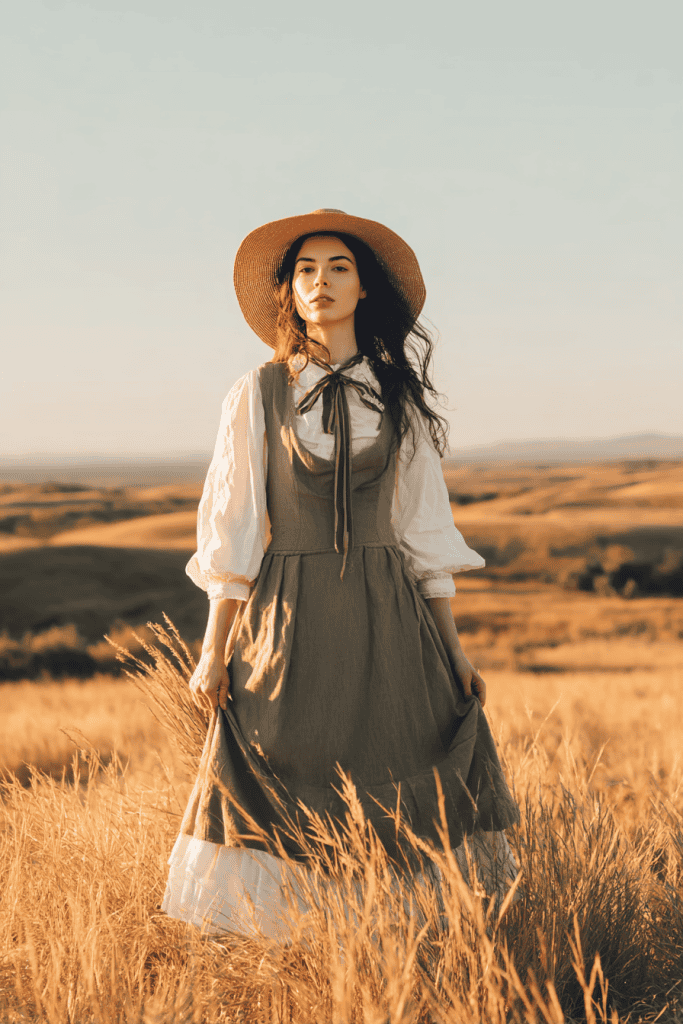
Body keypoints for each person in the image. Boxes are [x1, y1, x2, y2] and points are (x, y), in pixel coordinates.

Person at [161, 209, 520, 940]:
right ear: (288, 294)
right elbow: (231, 528)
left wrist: (456, 653)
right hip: (289, 618)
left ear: (364, 290)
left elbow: (423, 530)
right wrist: (212, 651)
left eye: (337, 268)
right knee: (282, 765)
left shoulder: (399, 397)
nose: (319, 282)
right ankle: (297, 949)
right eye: (304, 271)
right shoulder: (257, 394)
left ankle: (394, 945)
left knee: (399, 763)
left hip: (391, 619)